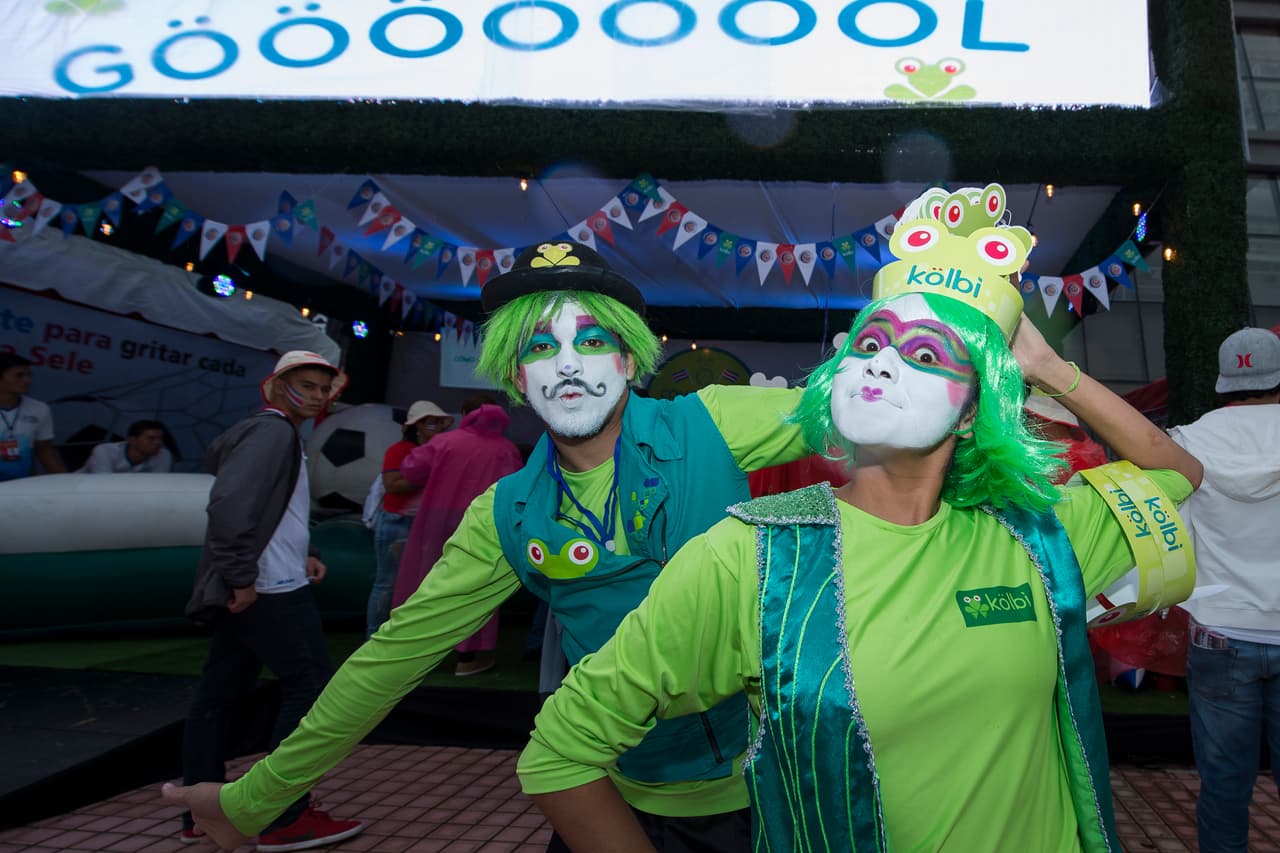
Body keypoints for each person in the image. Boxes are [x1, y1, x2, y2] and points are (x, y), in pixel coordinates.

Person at [516, 187, 1205, 852]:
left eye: (926, 353)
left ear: (971, 414)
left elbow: (1175, 474)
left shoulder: (1035, 536)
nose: (881, 364)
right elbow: (557, 754)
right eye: (869, 344)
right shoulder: (750, 556)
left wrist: (1051, 367)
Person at [161, 241, 810, 852]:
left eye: (591, 339)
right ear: (514, 375)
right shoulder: (507, 514)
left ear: (630, 359)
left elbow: (870, 401)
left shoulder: (709, 422)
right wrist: (254, 797)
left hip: (759, 796)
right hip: (608, 793)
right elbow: (389, 659)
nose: (567, 363)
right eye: (538, 346)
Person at [178, 350, 364, 851]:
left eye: (326, 388)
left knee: (217, 697)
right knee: (309, 688)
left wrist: (306, 550)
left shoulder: (276, 432)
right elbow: (231, 505)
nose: (319, 395)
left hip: (268, 578)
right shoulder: (272, 432)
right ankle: (284, 815)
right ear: (279, 386)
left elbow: (273, 510)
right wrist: (241, 575)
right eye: (307, 384)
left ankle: (200, 808)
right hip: (268, 589)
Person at [1168, 326, 1280, 853]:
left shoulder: (1187, 441)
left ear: (1224, 380)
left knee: (1224, 784)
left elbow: (1171, 535)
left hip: (1220, 633)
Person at [391, 393, 523, 676]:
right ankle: (468, 658)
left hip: (436, 523)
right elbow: (518, 493)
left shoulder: (444, 442)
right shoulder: (506, 449)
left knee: (425, 583)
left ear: (465, 413)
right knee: (476, 589)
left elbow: (410, 470)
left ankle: (412, 654)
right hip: (483, 528)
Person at [366, 400, 453, 638]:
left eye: (436, 421)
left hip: (426, 524)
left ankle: (405, 636)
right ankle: (374, 636)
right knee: (387, 583)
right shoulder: (399, 451)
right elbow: (392, 485)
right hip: (397, 523)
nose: (433, 426)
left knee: (419, 584)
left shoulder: (443, 449)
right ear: (415, 426)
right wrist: (430, 476)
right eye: (427, 421)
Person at [0, 352, 66, 480]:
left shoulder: (39, 409)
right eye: (19, 376)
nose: (27, 381)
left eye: (29, 375)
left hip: (22, 486)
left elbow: (44, 448)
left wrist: (65, 480)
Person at [1023, 391, 1109, 483]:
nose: (1026, 422)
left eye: (1028, 416)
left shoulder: (1061, 462)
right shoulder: (1088, 452)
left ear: (1040, 418)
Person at [80, 419, 172, 473]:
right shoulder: (105, 451)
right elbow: (103, 487)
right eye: (151, 438)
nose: (158, 442)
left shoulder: (163, 455)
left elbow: (156, 488)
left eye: (160, 438)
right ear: (132, 440)